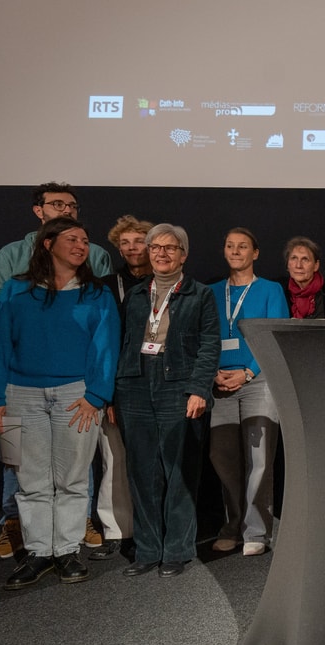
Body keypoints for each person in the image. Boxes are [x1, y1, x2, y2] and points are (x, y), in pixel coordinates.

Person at [0, 217, 120, 589]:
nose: (81, 246)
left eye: (85, 240)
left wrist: (96, 396)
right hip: (15, 397)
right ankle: (40, 551)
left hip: (77, 397)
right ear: (47, 244)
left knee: (73, 477)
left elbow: (106, 346)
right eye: (72, 239)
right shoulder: (14, 289)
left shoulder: (97, 293)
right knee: (28, 479)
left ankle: (68, 549)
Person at [114, 224, 220, 577]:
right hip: (135, 386)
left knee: (180, 471)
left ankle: (176, 550)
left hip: (179, 386)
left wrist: (199, 389)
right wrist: (116, 392)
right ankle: (147, 550)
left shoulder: (200, 294)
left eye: (170, 248)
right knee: (142, 473)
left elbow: (209, 345)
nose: (161, 253)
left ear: (183, 255)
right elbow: (126, 342)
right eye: (155, 247)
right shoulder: (135, 295)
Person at [209, 228, 290, 556]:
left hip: (258, 381)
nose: (235, 251)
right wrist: (213, 371)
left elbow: (275, 335)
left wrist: (248, 371)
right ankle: (233, 524)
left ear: (255, 253)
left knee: (259, 458)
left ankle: (257, 529)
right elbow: (204, 336)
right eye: (230, 245)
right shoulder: (211, 292)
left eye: (242, 246)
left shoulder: (270, 290)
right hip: (218, 383)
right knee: (222, 457)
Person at [90, 215, 155, 560]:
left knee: (152, 460)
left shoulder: (167, 281)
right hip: (116, 384)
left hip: (157, 384)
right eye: (125, 242)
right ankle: (117, 532)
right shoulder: (103, 285)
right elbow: (100, 342)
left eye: (139, 241)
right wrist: (108, 392)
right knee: (114, 459)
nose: (132, 248)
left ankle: (151, 529)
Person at [279, 236, 325, 319]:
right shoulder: (279, 292)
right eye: (294, 258)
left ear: (316, 265)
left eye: (305, 259)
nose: (298, 265)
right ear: (288, 265)